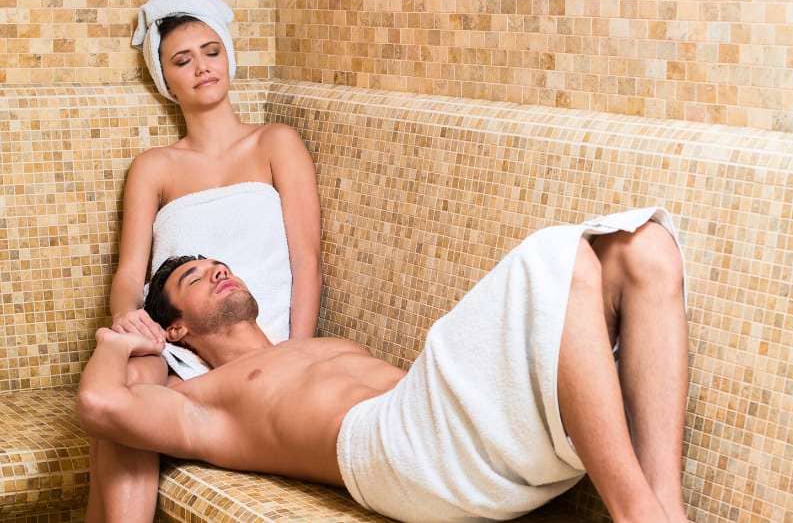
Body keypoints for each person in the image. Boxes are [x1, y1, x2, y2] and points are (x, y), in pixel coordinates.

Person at [78, 208, 690, 523]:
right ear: (175, 325)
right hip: (398, 455)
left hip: (470, 435)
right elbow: (103, 407)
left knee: (645, 248)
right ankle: (634, 513)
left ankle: (664, 509)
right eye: (195, 276)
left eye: (220, 263)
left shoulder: (319, 344)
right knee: (556, 258)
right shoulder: (201, 400)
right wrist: (123, 339)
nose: (217, 269)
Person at [87, 0, 322, 521]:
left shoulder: (275, 144)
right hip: (173, 336)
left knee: (122, 410)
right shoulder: (155, 167)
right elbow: (130, 273)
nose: (201, 67)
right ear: (165, 79)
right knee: (129, 390)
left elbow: (307, 262)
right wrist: (130, 321)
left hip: (251, 337)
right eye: (182, 60)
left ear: (229, 57)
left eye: (210, 51)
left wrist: (297, 356)